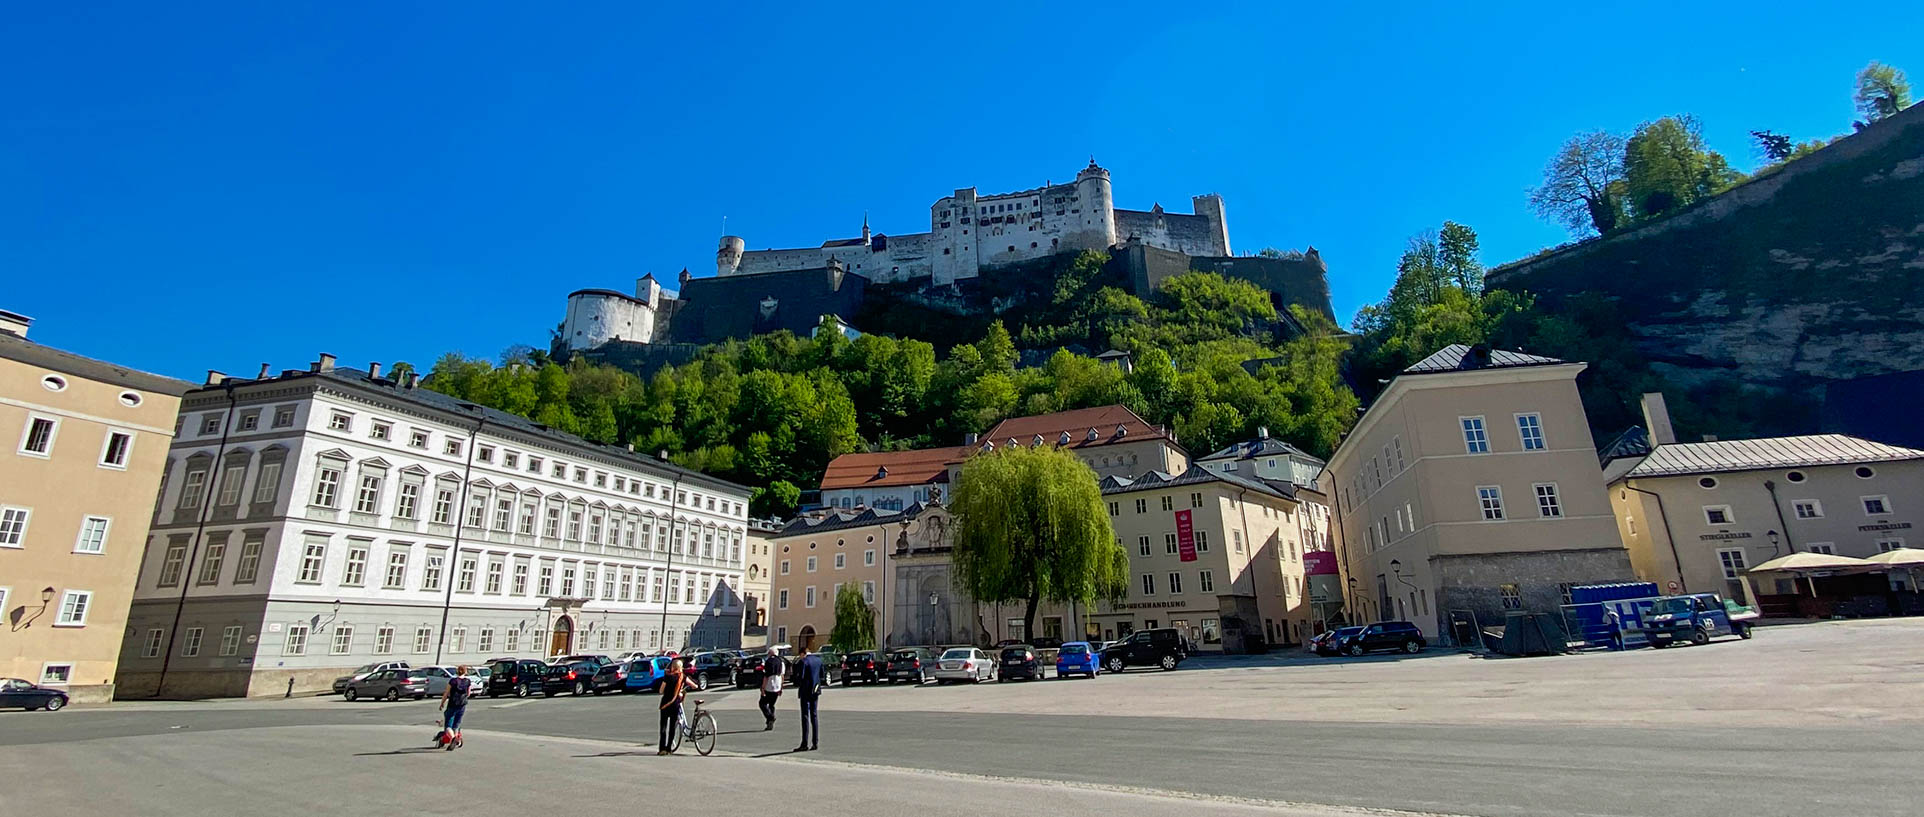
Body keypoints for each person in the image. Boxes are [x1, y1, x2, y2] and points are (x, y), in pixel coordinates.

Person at [792, 645, 826, 752]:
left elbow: (800, 677)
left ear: (802, 653)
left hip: (805, 691)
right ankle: (815, 742)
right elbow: (822, 675)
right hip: (815, 690)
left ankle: (804, 743)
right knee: (814, 715)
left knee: (805, 716)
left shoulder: (804, 662)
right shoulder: (818, 660)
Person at [657, 657, 689, 755]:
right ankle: (669, 749)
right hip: (675, 703)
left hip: (665, 703)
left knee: (663, 727)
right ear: (680, 667)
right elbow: (694, 685)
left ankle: (662, 749)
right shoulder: (682, 677)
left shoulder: (667, 677)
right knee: (672, 727)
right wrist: (682, 691)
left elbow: (661, 691)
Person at [439, 664, 474, 751]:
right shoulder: (468, 681)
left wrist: (442, 703)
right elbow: (468, 693)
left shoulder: (453, 681)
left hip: (452, 704)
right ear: (465, 672)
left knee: (448, 725)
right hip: (462, 705)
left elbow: (446, 693)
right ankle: (456, 739)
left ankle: (453, 738)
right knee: (457, 724)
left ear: (457, 671)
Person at [758, 647, 787, 731]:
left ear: (770, 653)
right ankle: (769, 723)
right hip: (777, 686)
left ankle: (770, 717)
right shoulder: (781, 662)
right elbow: (782, 676)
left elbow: (766, 676)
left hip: (769, 686)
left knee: (762, 703)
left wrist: (763, 688)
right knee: (771, 705)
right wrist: (781, 687)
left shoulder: (768, 662)